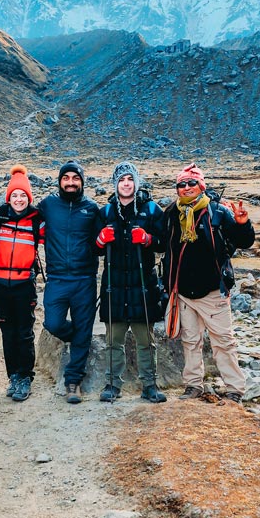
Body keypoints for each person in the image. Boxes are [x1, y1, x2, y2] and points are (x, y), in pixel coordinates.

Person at [161, 163, 254, 403]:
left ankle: (235, 389)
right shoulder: (171, 213)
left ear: (201, 186)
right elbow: (162, 246)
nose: (186, 187)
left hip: (213, 291)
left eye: (192, 183)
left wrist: (243, 224)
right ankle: (193, 386)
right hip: (182, 292)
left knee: (223, 341)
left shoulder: (218, 212)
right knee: (190, 341)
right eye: (181, 184)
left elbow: (243, 242)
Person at [96, 161, 167, 404]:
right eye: (121, 180)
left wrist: (148, 239)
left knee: (145, 341)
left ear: (136, 183)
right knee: (113, 341)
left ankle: (150, 385)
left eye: (129, 179)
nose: (126, 184)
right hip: (113, 287)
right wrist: (99, 240)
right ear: (115, 184)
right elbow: (92, 248)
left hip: (143, 286)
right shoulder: (105, 212)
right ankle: (113, 384)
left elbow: (166, 242)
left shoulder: (151, 209)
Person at [37, 160, 100, 404]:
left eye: (75, 178)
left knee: (84, 329)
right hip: (57, 278)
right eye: (66, 178)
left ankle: (73, 382)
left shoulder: (92, 208)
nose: (71, 182)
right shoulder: (49, 205)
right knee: (52, 323)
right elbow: (24, 216)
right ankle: (77, 337)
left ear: (82, 182)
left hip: (84, 279)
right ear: (60, 181)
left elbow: (100, 244)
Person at [0, 165, 43, 403]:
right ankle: (13, 376)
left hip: (24, 283)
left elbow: (55, 237)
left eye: (23, 195)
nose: (19, 199)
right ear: (8, 197)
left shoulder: (35, 221)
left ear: (29, 198)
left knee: (24, 332)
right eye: (14, 195)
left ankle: (25, 377)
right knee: (7, 332)